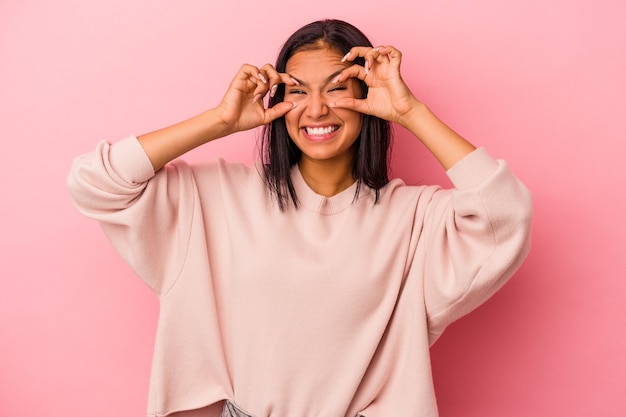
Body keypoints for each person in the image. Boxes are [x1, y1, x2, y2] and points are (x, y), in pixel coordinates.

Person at [68, 19, 532, 417]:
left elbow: (506, 216)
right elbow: (95, 182)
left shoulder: (414, 219)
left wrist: (410, 112)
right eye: (297, 92)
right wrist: (219, 121)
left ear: (367, 98)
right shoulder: (216, 197)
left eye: (336, 89)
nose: (315, 109)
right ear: (276, 102)